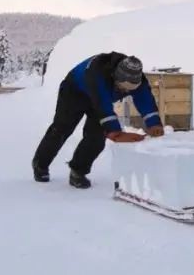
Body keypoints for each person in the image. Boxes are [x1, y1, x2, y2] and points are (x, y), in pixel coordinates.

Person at [32, 52, 164, 188]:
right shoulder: (98, 72)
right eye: (123, 87)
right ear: (115, 77)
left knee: (96, 137)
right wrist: (116, 133)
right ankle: (40, 164)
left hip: (100, 98)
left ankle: (78, 171)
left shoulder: (138, 79)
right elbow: (103, 104)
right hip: (74, 91)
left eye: (129, 89)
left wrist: (154, 124)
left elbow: (145, 100)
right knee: (62, 128)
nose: (125, 91)